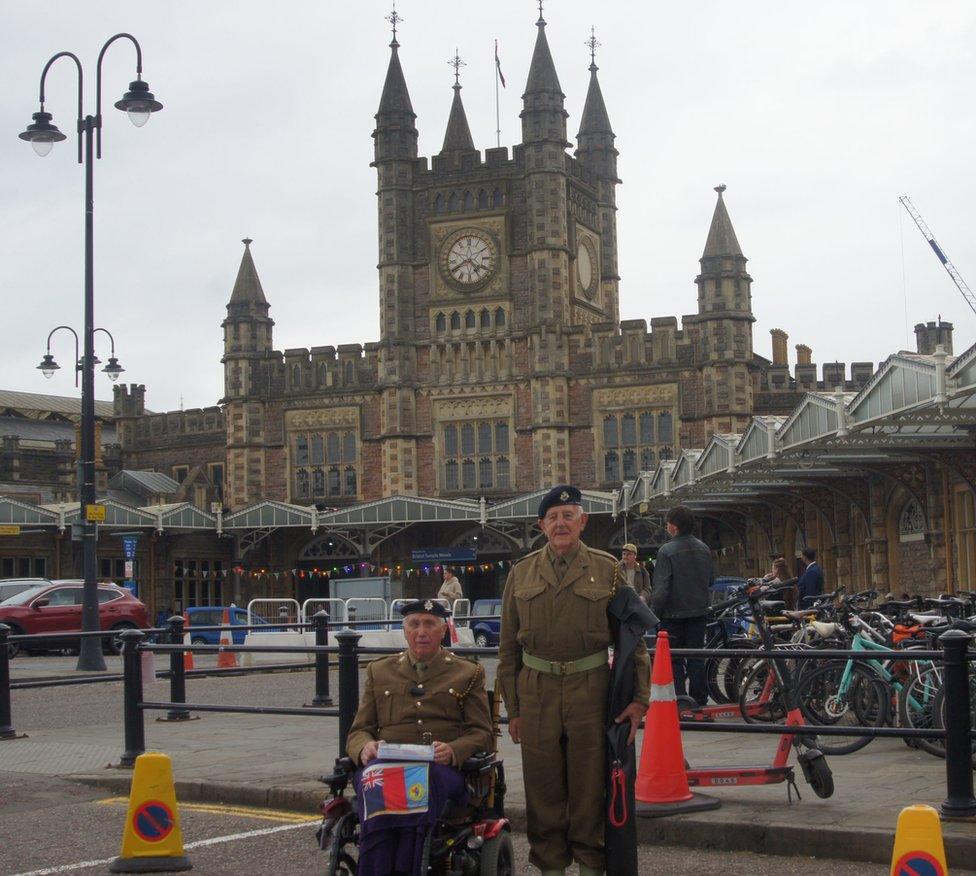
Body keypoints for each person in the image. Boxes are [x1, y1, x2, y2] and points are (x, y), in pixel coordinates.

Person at [498, 485, 651, 876]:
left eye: (568, 516)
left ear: (583, 522)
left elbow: (632, 641)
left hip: (590, 689)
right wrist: (513, 710)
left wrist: (639, 701)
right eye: (553, 518)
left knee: (588, 786)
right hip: (536, 691)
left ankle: (589, 866)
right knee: (542, 787)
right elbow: (507, 651)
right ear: (541, 526)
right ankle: (550, 868)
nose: (560, 523)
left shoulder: (608, 570)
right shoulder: (520, 573)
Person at [345, 599, 493, 875]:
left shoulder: (468, 672)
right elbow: (359, 729)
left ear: (443, 630)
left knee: (420, 783)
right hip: (387, 764)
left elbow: (481, 732)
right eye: (414, 624)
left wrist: (453, 750)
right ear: (405, 631)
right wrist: (364, 747)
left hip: (438, 768)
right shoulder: (380, 671)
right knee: (373, 779)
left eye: (429, 624)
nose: (421, 631)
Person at [649, 505, 714, 707]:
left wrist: (652, 614)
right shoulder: (703, 548)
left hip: (673, 614)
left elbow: (661, 588)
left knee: (675, 659)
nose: (666, 526)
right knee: (696, 657)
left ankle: (681, 699)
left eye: (668, 523)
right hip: (699, 612)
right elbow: (711, 580)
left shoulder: (666, 551)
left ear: (674, 527)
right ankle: (700, 699)